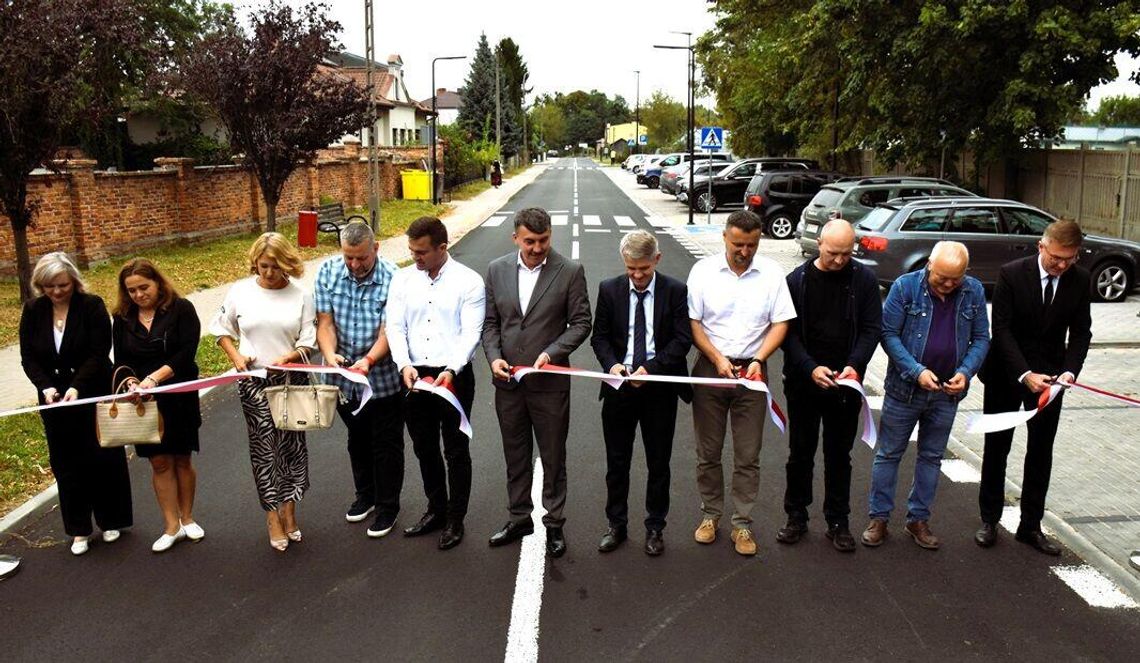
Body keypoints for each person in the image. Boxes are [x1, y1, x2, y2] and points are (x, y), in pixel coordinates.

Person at [862, 241, 990, 550]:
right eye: (942, 277)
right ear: (929, 264)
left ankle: (918, 519)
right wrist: (916, 370)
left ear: (966, 273)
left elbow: (982, 338)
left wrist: (966, 371)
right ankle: (879, 518)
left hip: (947, 393)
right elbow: (888, 334)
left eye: (955, 278)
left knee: (932, 457)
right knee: (889, 453)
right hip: (904, 390)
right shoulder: (905, 287)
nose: (948, 284)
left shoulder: (973, 291)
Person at [975, 219, 1092, 555]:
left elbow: (1081, 332)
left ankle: (1030, 526)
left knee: (1041, 453)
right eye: (1056, 257)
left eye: (1069, 259)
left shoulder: (1079, 280)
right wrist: (1024, 373)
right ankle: (989, 519)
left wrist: (1069, 372)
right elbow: (1002, 329)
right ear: (1042, 246)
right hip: (1006, 376)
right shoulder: (1012, 273)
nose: (1061, 265)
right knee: (997, 449)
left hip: (1051, 382)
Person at [483, 207, 591, 558]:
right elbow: (490, 324)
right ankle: (519, 518)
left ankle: (555, 523)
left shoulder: (570, 271)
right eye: (529, 241)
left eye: (543, 240)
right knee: (515, 454)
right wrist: (494, 356)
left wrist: (552, 353)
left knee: (553, 457)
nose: (537, 248)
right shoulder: (497, 270)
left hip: (550, 383)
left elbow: (580, 323)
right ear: (515, 237)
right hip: (509, 384)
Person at [687, 210, 797, 557]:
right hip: (710, 369)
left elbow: (781, 323)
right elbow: (694, 322)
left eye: (751, 245)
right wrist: (718, 359)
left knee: (748, 454)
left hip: (752, 375)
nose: (744, 251)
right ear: (724, 237)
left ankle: (742, 524)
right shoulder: (703, 272)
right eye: (738, 244)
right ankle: (710, 515)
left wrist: (758, 359)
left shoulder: (772, 274)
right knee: (708, 452)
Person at [778, 220, 881, 552]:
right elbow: (786, 334)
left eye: (846, 254)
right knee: (800, 453)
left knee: (840, 456)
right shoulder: (796, 281)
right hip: (804, 382)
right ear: (819, 243)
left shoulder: (863, 280)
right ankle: (796, 516)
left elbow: (871, 328)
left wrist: (854, 365)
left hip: (846, 385)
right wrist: (809, 368)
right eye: (833, 253)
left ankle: (838, 520)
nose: (839, 261)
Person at [209, 233, 317, 552]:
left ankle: (290, 509)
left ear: (287, 265)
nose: (268, 272)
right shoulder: (240, 291)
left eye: (275, 267)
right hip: (254, 381)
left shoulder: (301, 295)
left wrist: (291, 357)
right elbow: (221, 329)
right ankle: (272, 516)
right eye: (263, 265)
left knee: (292, 447)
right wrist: (237, 358)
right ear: (255, 262)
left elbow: (307, 338)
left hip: (290, 379)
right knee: (264, 449)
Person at [19, 252, 132, 556]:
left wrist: (76, 387)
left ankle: (111, 519)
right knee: (66, 463)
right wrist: (45, 387)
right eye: (49, 287)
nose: (56, 292)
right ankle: (78, 528)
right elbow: (28, 357)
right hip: (54, 400)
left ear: (74, 281)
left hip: (91, 391)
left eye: (62, 285)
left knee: (103, 456)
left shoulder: (91, 305)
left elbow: (99, 351)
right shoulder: (33, 310)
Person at [590, 230, 692, 556]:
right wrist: (613, 366)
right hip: (620, 390)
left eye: (643, 270)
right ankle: (616, 525)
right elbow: (600, 338)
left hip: (659, 390)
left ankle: (655, 527)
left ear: (656, 261)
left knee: (658, 463)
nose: (636, 276)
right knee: (617, 462)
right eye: (631, 269)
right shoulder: (609, 290)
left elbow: (681, 340)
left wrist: (653, 368)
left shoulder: (675, 291)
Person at [388, 216, 485, 551]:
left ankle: (456, 519)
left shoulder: (469, 282)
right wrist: (403, 364)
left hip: (452, 376)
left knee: (456, 450)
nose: (415, 257)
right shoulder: (402, 280)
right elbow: (395, 327)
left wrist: (453, 369)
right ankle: (436, 510)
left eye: (422, 252)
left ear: (442, 247)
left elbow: (472, 333)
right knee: (423, 446)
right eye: (412, 251)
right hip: (414, 376)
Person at [315, 222, 404, 539]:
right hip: (345, 381)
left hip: (382, 379)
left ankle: (387, 506)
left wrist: (368, 360)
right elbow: (325, 323)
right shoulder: (327, 271)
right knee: (357, 439)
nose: (354, 265)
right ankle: (365, 495)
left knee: (386, 444)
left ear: (376, 249)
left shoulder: (395, 278)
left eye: (362, 258)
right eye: (349, 258)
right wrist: (329, 354)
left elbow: (390, 331)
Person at [113, 259, 203, 553]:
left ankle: (188, 517)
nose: (138, 295)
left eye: (143, 288)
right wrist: (130, 383)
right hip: (144, 400)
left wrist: (154, 378)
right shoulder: (122, 317)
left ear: (158, 283)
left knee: (181, 458)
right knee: (159, 461)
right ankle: (170, 525)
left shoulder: (181, 309)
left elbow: (186, 353)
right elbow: (121, 360)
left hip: (178, 394)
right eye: (131, 291)